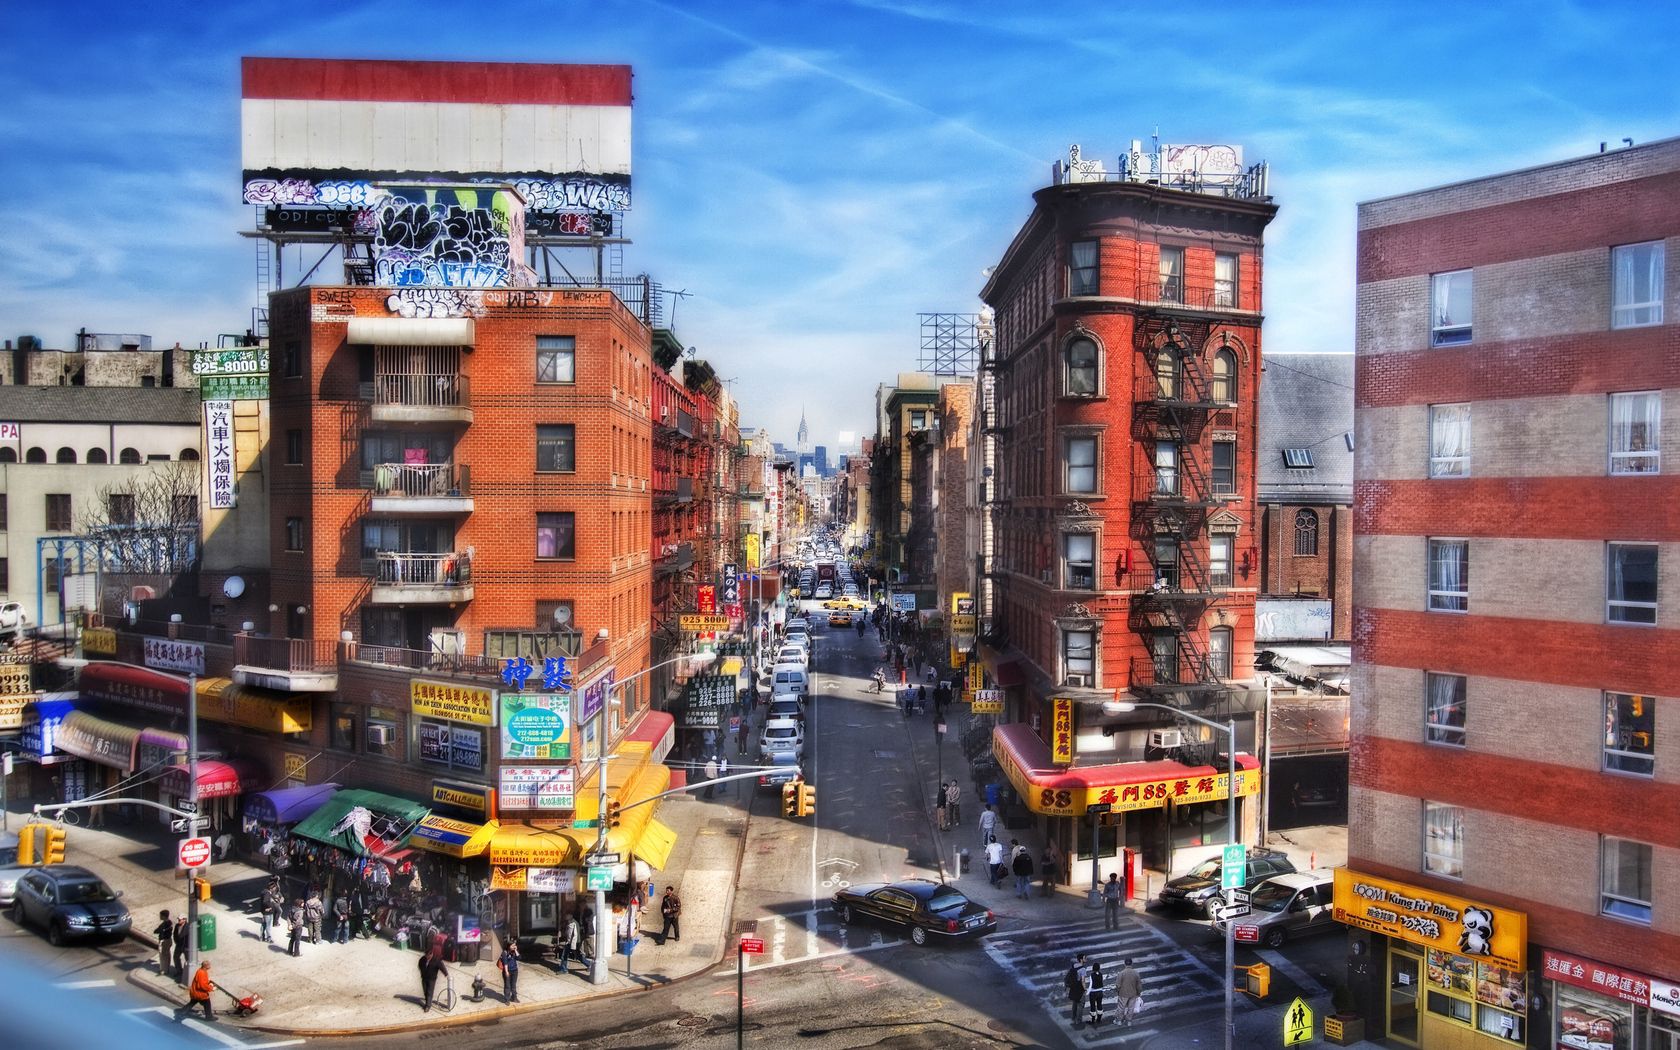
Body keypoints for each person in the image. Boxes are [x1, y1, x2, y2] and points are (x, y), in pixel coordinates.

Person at [418, 944, 447, 1011]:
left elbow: (442, 967)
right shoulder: (423, 959)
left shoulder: (436, 960)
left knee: (429, 992)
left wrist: (446, 974)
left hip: (432, 979)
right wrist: (422, 972)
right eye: (426, 955)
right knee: (425, 991)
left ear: (431, 954)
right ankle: (428, 1001)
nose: (427, 957)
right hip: (424, 978)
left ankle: (428, 1006)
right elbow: (420, 965)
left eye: (428, 955)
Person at [1116, 958, 1144, 1028]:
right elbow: (1139, 985)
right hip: (1133, 993)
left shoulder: (1121, 973)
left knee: (1121, 1007)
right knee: (1131, 1008)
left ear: (1124, 964)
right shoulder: (1136, 973)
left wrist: (1118, 991)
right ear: (1132, 964)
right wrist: (1139, 992)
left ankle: (1119, 1021)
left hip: (1123, 993)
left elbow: (1118, 985)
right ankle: (1129, 1021)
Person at [1065, 953, 1090, 1025]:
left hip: (1073, 986)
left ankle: (1073, 1017)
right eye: (1085, 958)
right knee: (1080, 1004)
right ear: (1081, 959)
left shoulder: (1074, 965)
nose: (1086, 959)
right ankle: (1078, 1020)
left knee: (1075, 1002)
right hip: (1079, 987)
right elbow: (1083, 981)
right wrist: (1085, 989)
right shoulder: (1083, 969)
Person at [259, 879, 283, 943]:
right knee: (268, 925)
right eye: (274, 888)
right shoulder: (267, 893)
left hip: (264, 911)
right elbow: (265, 902)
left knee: (264, 924)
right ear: (271, 888)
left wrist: (276, 898)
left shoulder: (265, 891)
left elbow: (270, 896)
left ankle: (261, 937)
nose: (275, 889)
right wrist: (270, 906)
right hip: (268, 912)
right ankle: (269, 938)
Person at [1085, 959, 1107, 1025]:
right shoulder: (1100, 974)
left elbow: (1091, 985)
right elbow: (1101, 982)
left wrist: (1087, 992)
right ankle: (1099, 1019)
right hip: (1100, 992)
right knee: (1099, 1004)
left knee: (1093, 1006)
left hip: (1093, 993)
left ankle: (1093, 1020)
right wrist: (1102, 990)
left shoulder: (1092, 975)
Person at [153, 910, 173, 975]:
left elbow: (156, 931)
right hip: (168, 940)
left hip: (164, 941)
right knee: (166, 955)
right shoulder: (169, 923)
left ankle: (164, 970)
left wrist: (159, 930)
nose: (160, 916)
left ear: (164, 916)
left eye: (161, 915)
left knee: (163, 956)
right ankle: (165, 969)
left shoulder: (164, 924)